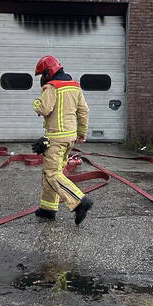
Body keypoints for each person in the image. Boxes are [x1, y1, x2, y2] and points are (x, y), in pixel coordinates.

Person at [32, 55, 93, 225]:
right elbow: (84, 111)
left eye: (42, 75)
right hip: (70, 138)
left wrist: (36, 104)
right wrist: (82, 133)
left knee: (52, 174)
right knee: (51, 172)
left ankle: (79, 201)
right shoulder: (74, 86)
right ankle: (48, 209)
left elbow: (44, 108)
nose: (42, 79)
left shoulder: (52, 87)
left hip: (55, 138)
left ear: (47, 72)